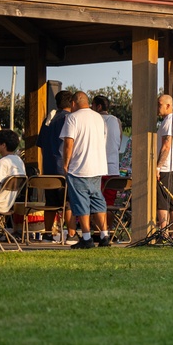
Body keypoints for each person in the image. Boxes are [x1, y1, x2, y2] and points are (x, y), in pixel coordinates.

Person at [61, 92, 111, 249]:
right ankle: (104, 235)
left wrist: (66, 163)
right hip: (97, 166)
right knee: (98, 200)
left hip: (79, 167)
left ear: (74, 103)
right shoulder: (98, 118)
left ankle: (87, 237)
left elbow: (69, 143)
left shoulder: (73, 118)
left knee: (81, 202)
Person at [36, 90, 73, 241]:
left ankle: (48, 233)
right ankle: (71, 233)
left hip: (48, 169)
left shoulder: (48, 120)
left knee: (50, 203)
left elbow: (41, 145)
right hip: (65, 169)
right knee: (69, 202)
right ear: (72, 103)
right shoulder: (70, 119)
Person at [156, 94, 173, 241]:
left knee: (163, 201)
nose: (157, 107)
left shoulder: (169, 121)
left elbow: (166, 146)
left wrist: (158, 167)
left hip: (167, 167)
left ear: (168, 105)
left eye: (159, 104)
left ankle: (164, 232)